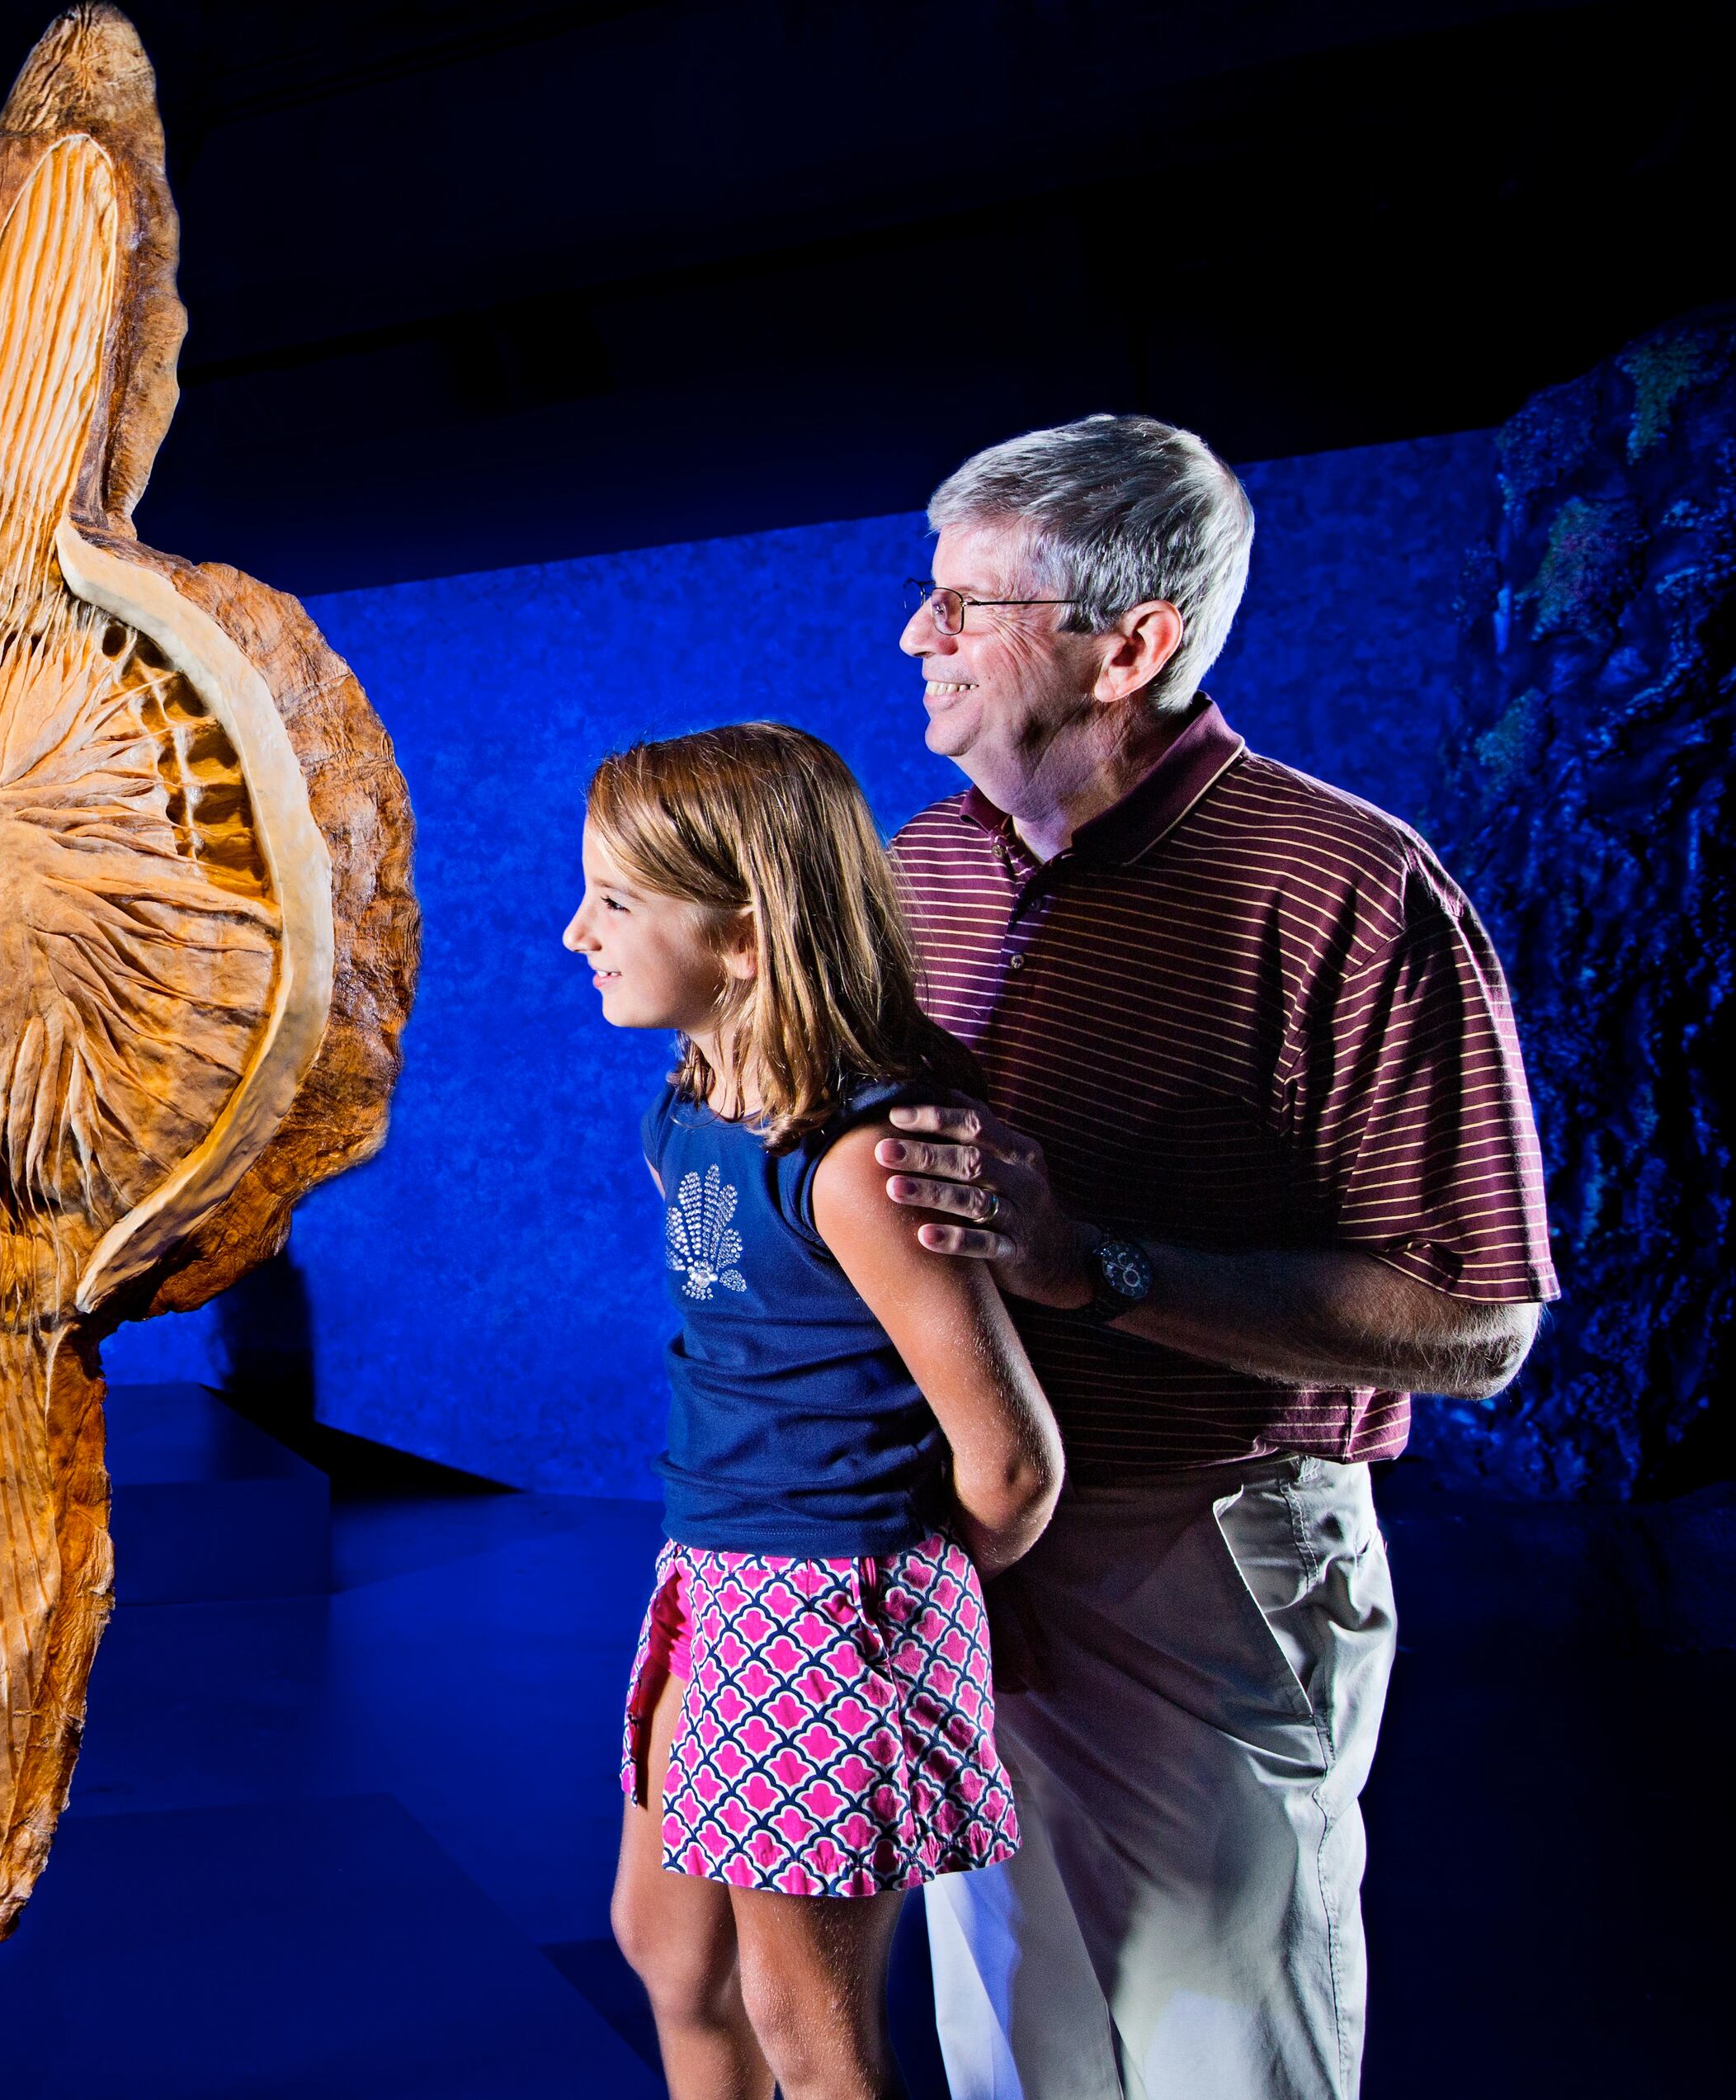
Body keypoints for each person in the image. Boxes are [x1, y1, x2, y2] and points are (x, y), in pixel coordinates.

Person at [875, 415, 1557, 2100]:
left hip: (1205, 1553)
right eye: (927, 593)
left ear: (1132, 641)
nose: (917, 637)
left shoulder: (1347, 887)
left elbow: (1478, 1319)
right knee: (1009, 2050)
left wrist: (1094, 1263)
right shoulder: (916, 872)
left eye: (967, 603)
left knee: (1220, 2054)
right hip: (957, 1550)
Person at [570, 724, 1065, 2100]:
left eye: (615, 903)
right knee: (669, 1951)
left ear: (742, 936)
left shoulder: (860, 1162)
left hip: (823, 1599)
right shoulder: (690, 1107)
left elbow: (1011, 1461)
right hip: (710, 1577)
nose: (576, 933)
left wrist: (914, 1600)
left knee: (811, 2024)